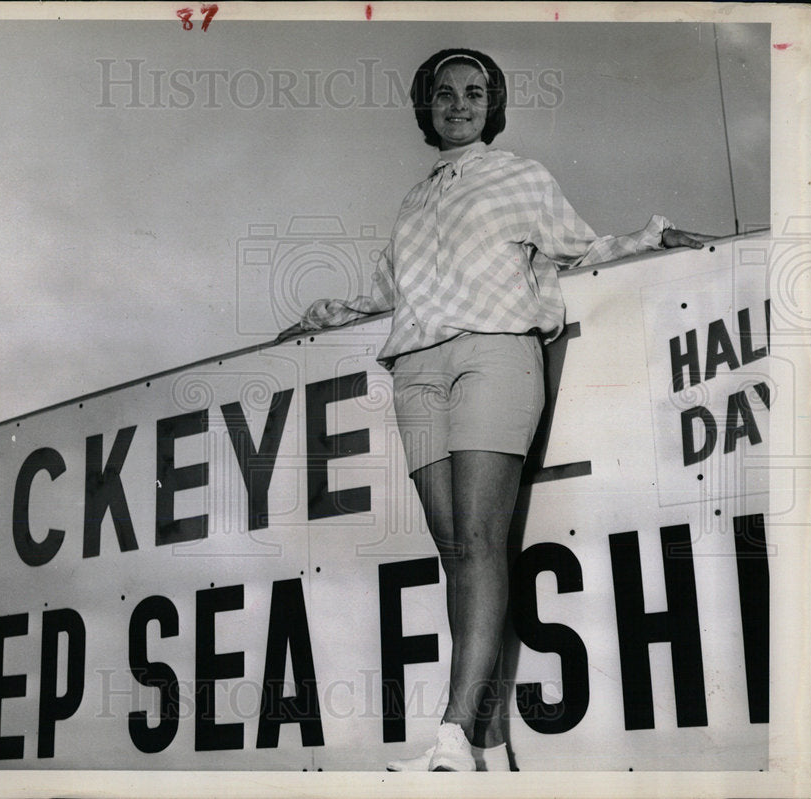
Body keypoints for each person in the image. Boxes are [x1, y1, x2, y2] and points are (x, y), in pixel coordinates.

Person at [278, 48, 704, 772]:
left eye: (474, 93)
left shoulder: (521, 176)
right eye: (444, 94)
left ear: (492, 104)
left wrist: (652, 236)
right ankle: (488, 740)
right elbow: (385, 293)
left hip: (495, 355)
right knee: (457, 552)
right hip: (416, 369)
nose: (459, 104)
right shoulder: (413, 202)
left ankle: (450, 733)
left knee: (478, 543)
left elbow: (581, 247)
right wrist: (318, 315)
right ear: (427, 106)